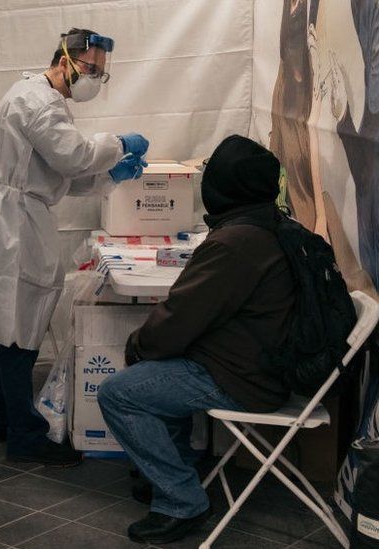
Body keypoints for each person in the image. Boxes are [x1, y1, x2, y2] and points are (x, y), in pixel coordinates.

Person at [97, 135, 296, 544]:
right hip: (260, 365)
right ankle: (174, 472)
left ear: (225, 186)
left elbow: (180, 317)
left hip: (243, 378)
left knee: (120, 393)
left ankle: (182, 501)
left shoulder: (234, 243)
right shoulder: (265, 225)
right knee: (157, 369)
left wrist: (138, 347)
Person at [0, 27, 149, 466]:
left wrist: (111, 177)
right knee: (20, 327)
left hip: (15, 216)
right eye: (90, 70)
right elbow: (73, 157)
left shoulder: (37, 98)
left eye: (101, 75)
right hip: (13, 224)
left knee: (12, 324)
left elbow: (63, 172)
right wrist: (120, 144)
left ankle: (1, 419)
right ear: (65, 60)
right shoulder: (38, 101)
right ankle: (24, 437)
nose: (93, 80)